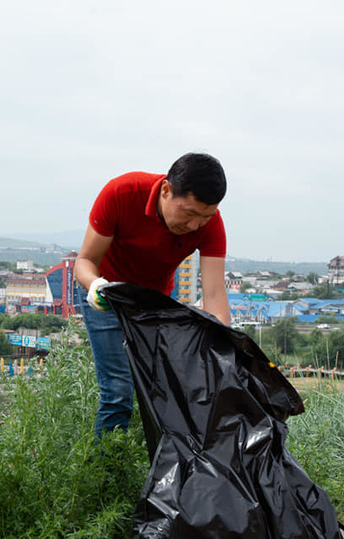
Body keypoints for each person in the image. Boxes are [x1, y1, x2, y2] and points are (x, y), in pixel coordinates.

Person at [74, 152, 231, 437]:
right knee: (118, 391)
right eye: (190, 214)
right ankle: (106, 477)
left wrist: (226, 353)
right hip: (106, 296)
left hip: (152, 301)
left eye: (205, 217)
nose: (195, 226)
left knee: (162, 390)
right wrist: (96, 286)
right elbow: (84, 262)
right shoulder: (121, 193)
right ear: (166, 190)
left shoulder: (212, 225)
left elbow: (215, 297)